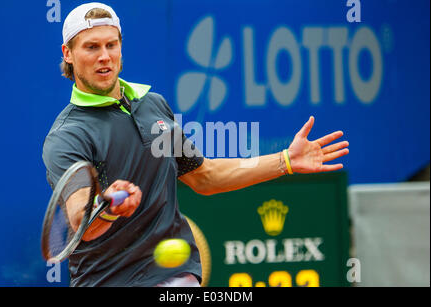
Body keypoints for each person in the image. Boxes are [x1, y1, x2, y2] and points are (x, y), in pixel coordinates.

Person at [42, 2, 349, 287]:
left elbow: (204, 177)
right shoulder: (67, 135)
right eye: (91, 47)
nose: (104, 56)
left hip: (174, 275)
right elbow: (81, 218)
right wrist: (108, 206)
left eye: (112, 44)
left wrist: (285, 161)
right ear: (68, 54)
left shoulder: (153, 106)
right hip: (107, 280)